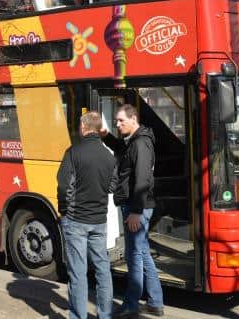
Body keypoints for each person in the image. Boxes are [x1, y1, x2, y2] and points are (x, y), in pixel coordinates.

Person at [101, 104, 164, 319]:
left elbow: (143, 179)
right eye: (116, 121)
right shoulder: (135, 141)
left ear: (133, 118)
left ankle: (131, 305)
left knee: (133, 256)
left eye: (121, 121)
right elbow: (121, 148)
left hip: (137, 207)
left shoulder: (141, 144)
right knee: (142, 253)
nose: (118, 125)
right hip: (137, 205)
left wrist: (136, 211)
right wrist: (105, 135)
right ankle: (155, 302)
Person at [57, 111, 117, 319]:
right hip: (99, 221)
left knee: (78, 272)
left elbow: (64, 186)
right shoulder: (109, 156)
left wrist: (65, 211)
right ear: (99, 128)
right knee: (103, 269)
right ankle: (105, 314)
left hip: (76, 221)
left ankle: (78, 316)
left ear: (83, 127)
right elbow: (112, 186)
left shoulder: (73, 152)